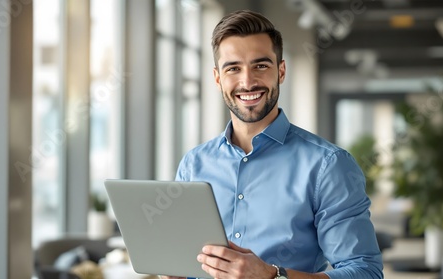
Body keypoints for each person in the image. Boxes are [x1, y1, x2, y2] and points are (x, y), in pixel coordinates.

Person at [161, 10, 383, 279]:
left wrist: (272, 276)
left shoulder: (328, 165)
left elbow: (365, 272)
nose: (247, 81)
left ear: (281, 71)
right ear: (218, 78)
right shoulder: (193, 164)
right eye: (233, 68)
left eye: (261, 66)